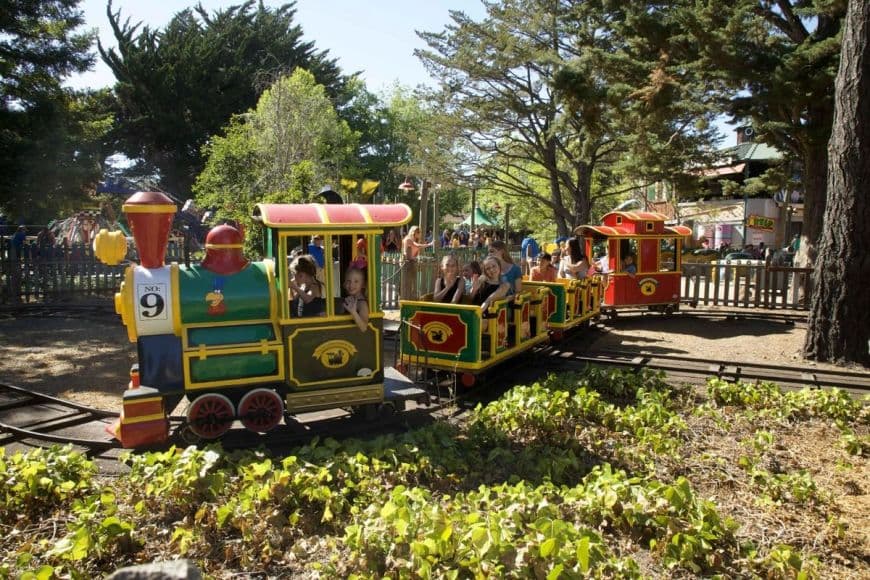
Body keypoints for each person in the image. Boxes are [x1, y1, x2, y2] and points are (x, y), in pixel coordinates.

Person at [400, 225, 433, 300]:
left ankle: (411, 298)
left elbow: (415, 252)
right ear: (413, 232)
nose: (420, 234)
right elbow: (416, 246)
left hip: (412, 264)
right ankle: (405, 298)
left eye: (420, 232)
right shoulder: (408, 239)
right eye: (418, 232)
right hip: (406, 264)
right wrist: (428, 244)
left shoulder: (414, 240)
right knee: (406, 283)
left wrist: (416, 258)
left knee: (413, 283)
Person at [342, 267, 369, 332]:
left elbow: (364, 327)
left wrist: (353, 312)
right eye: (348, 281)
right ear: (345, 283)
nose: (351, 285)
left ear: (363, 285)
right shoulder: (351, 298)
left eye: (356, 281)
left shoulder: (362, 303)